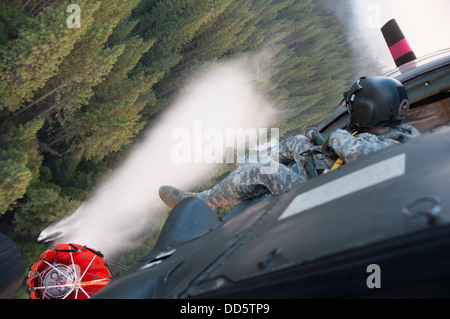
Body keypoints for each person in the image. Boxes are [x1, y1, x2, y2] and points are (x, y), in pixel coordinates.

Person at [159, 76, 421, 211]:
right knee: (298, 141)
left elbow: (356, 151)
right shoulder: (402, 136)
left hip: (322, 200)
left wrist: (336, 138)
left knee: (265, 169)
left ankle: (200, 203)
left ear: (368, 110)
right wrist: (323, 145)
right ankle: (244, 167)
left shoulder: (389, 146)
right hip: (329, 181)